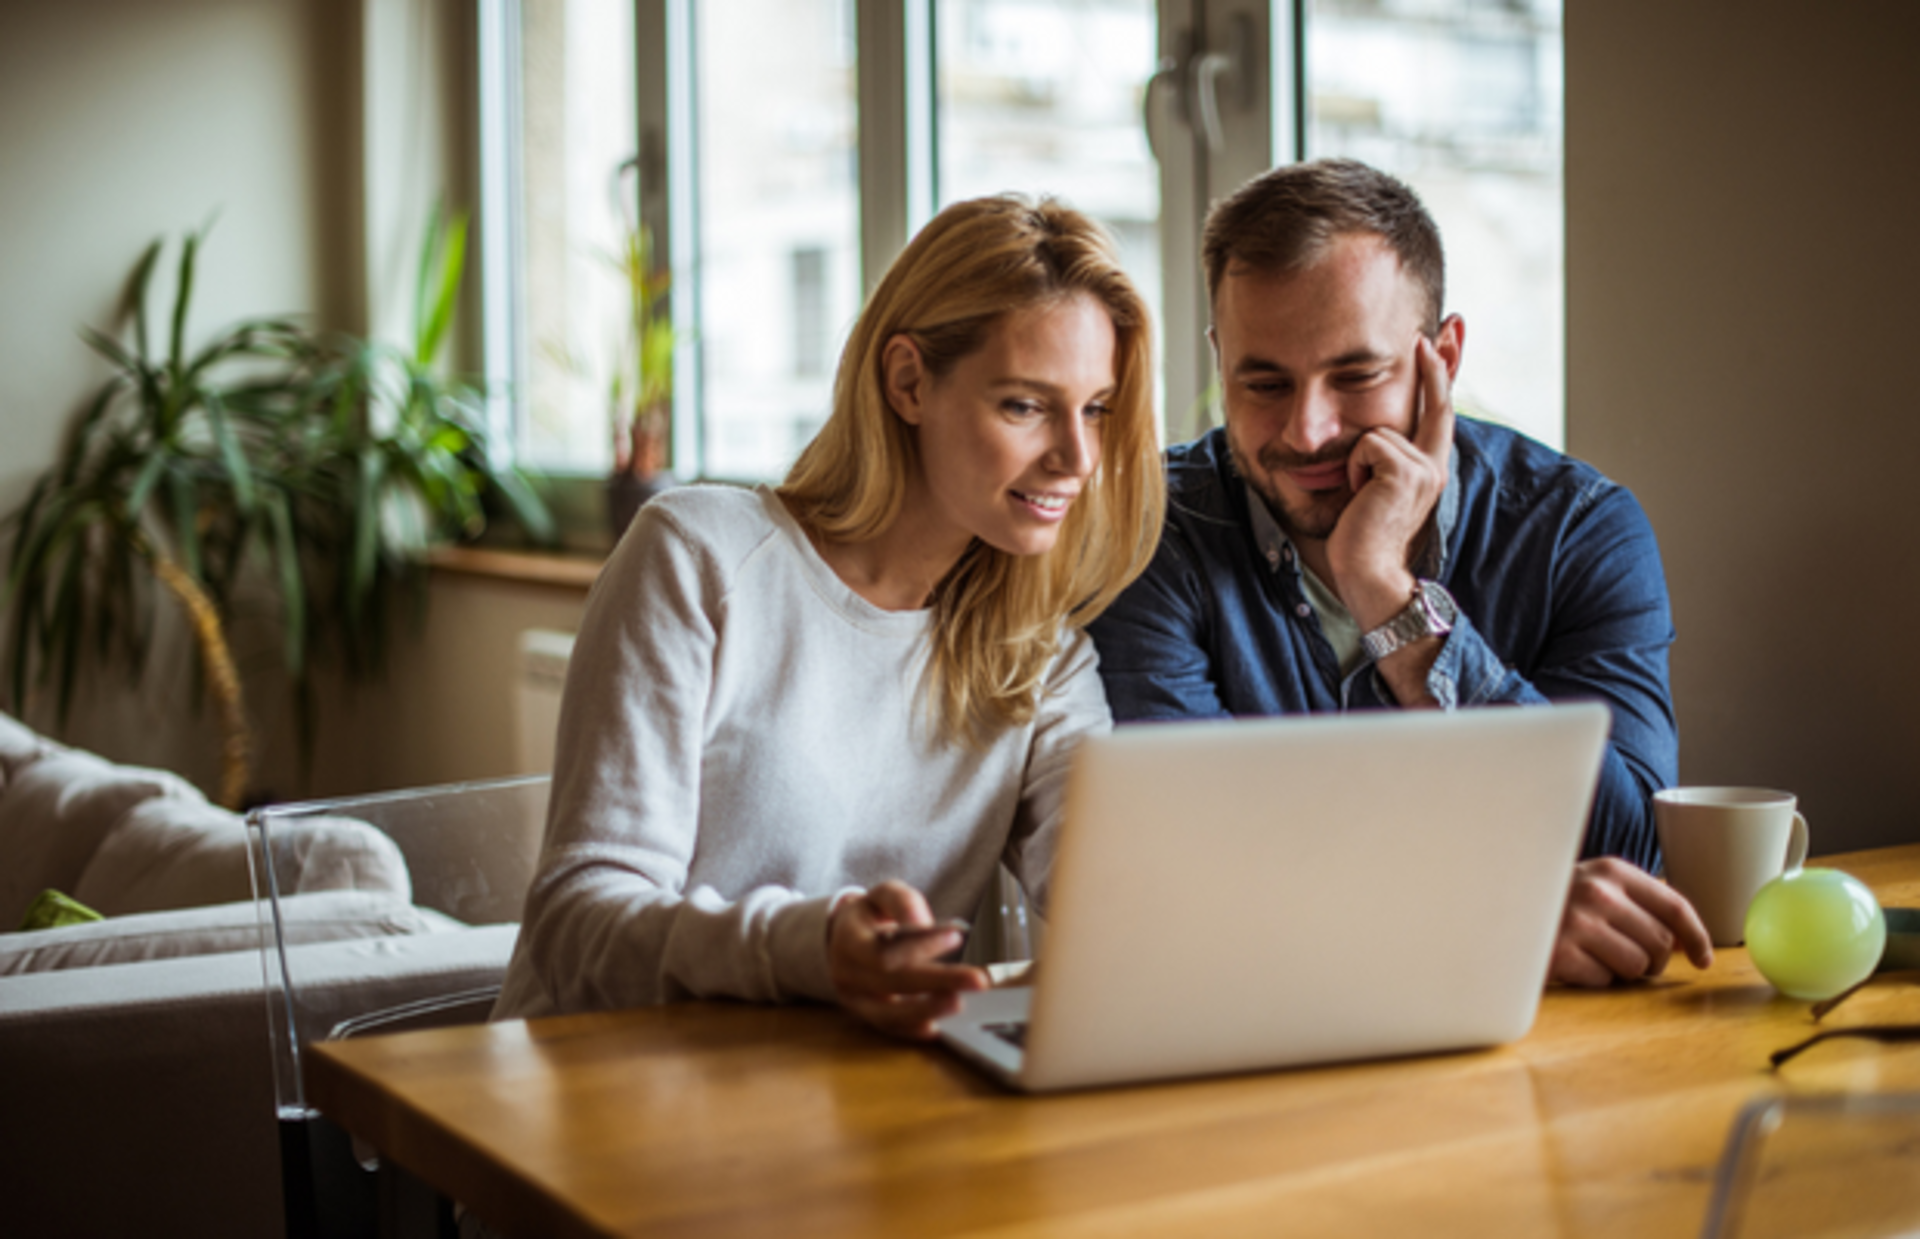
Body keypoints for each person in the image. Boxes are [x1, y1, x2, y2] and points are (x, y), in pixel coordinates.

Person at [493, 196, 1164, 1039]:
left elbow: (1105, 888)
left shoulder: (1041, 652)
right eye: (1026, 406)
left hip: (836, 1107)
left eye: (1097, 408)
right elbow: (575, 926)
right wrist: (808, 948)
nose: (1077, 457)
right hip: (597, 1096)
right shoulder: (699, 559)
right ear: (908, 381)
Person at [1086, 159, 1712, 988]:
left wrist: (1388, 593)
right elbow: (1186, 865)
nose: (1307, 431)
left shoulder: (1578, 531)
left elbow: (1629, 852)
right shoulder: (1149, 531)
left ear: (1441, 356)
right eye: (1264, 381)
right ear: (1218, 358)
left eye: (1356, 376)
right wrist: (1496, 912)